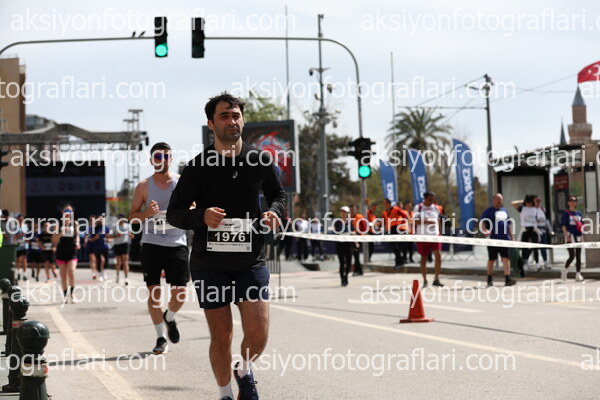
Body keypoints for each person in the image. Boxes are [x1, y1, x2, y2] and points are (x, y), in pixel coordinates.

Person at [166, 93, 285, 400]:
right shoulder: (198, 166)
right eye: (224, 116)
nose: (232, 121)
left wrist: (274, 212)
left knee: (258, 332)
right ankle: (225, 395)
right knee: (222, 336)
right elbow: (174, 213)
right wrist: (201, 216)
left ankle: (244, 370)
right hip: (210, 264)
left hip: (250, 259)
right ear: (211, 124)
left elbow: (278, 195)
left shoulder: (259, 160)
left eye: (236, 116)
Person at [130, 142, 190, 355]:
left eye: (166, 156)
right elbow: (132, 217)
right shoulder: (143, 186)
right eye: (158, 157)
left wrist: (187, 209)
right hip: (152, 243)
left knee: (180, 293)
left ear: (171, 159)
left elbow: (192, 207)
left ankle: (169, 317)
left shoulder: (181, 182)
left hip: (177, 243)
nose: (162, 160)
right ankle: (160, 337)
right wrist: (147, 213)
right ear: (151, 160)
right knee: (154, 293)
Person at [480, 194, 517, 287]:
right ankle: (489, 278)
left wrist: (512, 237)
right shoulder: (489, 211)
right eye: (497, 199)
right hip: (493, 239)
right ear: (493, 200)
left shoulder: (505, 211)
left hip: (505, 239)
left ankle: (507, 279)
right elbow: (482, 222)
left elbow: (508, 225)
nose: (499, 201)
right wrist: (484, 230)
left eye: (501, 199)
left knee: (506, 258)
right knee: (492, 259)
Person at [413, 192, 444, 287]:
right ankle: (425, 280)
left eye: (433, 199)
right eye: (430, 199)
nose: (431, 201)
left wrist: (440, 232)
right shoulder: (418, 207)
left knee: (438, 256)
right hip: (423, 236)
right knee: (424, 258)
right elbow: (415, 221)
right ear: (425, 198)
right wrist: (426, 221)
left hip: (435, 235)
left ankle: (436, 279)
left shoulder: (436, 207)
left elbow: (438, 220)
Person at [52, 204, 80, 302]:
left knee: (71, 272)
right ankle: (65, 295)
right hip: (61, 251)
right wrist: (61, 233)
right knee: (63, 276)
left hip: (72, 251)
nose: (68, 213)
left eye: (69, 211)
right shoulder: (58, 224)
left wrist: (77, 242)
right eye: (66, 211)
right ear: (62, 213)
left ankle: (72, 294)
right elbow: (53, 240)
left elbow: (77, 235)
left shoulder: (75, 223)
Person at [512, 194, 545, 271]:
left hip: (533, 230)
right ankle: (525, 263)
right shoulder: (522, 208)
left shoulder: (535, 209)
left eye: (530, 202)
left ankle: (537, 263)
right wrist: (522, 201)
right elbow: (513, 204)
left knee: (535, 247)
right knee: (525, 248)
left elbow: (540, 219)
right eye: (527, 202)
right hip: (525, 230)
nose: (529, 203)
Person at [560, 195, 584, 282]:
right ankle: (565, 269)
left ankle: (578, 273)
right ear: (568, 203)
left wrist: (582, 236)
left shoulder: (579, 213)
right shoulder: (566, 213)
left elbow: (582, 225)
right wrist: (566, 236)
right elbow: (563, 225)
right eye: (571, 200)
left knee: (578, 255)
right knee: (572, 256)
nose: (572, 202)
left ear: (576, 202)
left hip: (578, 236)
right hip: (570, 236)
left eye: (574, 200)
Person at [110, 214, 134, 285]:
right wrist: (116, 236)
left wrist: (131, 235)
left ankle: (126, 278)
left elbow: (132, 235)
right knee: (118, 262)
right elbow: (109, 236)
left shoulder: (128, 226)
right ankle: (117, 275)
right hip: (117, 245)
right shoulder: (114, 226)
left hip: (125, 244)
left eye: (121, 218)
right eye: (118, 218)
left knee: (125, 262)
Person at [382, 198, 406, 267]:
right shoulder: (384, 212)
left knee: (396, 246)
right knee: (394, 246)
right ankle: (400, 261)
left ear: (388, 203)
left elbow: (404, 216)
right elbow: (383, 220)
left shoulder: (396, 209)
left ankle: (398, 262)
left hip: (396, 228)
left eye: (385, 203)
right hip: (390, 229)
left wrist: (401, 223)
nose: (384, 205)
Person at [335, 206, 353, 286]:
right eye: (342, 212)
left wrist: (356, 243)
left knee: (349, 263)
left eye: (345, 212)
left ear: (348, 213)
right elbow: (335, 232)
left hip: (348, 244)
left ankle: (346, 276)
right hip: (340, 244)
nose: (343, 213)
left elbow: (353, 233)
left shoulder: (350, 223)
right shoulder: (337, 222)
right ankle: (342, 279)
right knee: (342, 263)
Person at [534, 196, 553, 269]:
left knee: (543, 247)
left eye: (539, 201)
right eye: (537, 201)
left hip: (543, 230)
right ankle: (534, 262)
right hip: (535, 230)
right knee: (534, 247)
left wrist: (550, 230)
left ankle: (545, 262)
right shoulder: (532, 210)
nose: (538, 202)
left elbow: (547, 221)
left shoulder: (542, 209)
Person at [90, 215, 110, 282]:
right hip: (97, 247)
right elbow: (91, 239)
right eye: (99, 220)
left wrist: (109, 239)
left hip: (105, 246)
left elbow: (110, 237)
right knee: (98, 260)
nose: (100, 221)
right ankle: (100, 274)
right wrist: (95, 238)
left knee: (106, 260)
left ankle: (104, 272)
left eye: (101, 219)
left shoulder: (106, 228)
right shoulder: (95, 229)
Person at [349, 205, 368, 276]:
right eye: (351, 210)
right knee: (354, 255)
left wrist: (358, 233)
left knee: (356, 254)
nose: (352, 211)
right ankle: (359, 271)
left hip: (358, 238)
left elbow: (364, 228)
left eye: (353, 210)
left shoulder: (360, 217)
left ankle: (357, 270)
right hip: (351, 238)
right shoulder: (348, 218)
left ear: (356, 210)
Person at [15, 214, 30, 281]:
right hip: (18, 246)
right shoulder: (15, 228)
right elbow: (15, 237)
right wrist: (21, 234)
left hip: (24, 246)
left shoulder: (26, 227)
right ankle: (18, 273)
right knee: (18, 260)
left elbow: (28, 236)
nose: (21, 220)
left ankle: (24, 274)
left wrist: (27, 239)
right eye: (19, 219)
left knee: (24, 260)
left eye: (22, 219)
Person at [85, 215, 99, 280]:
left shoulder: (98, 228)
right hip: (90, 245)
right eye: (90, 220)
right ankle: (94, 273)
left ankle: (97, 271)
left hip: (97, 245)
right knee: (92, 259)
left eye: (93, 220)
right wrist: (85, 241)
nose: (92, 221)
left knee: (97, 259)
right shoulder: (88, 228)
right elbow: (86, 236)